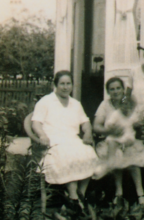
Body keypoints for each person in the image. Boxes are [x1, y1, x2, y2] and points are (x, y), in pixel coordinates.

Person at [31, 70, 100, 209]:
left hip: (72, 139)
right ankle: (74, 198)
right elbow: (36, 123)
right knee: (68, 157)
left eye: (68, 83)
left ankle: (80, 194)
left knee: (90, 155)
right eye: (62, 83)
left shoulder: (75, 103)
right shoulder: (45, 102)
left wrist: (87, 133)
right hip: (54, 140)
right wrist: (42, 135)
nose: (65, 87)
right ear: (55, 85)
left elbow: (85, 122)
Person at [93, 77, 144, 206]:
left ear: (123, 89)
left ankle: (140, 192)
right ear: (108, 91)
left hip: (129, 141)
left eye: (118, 88)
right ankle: (119, 192)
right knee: (117, 155)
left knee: (132, 155)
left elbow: (140, 119)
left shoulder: (128, 103)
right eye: (112, 89)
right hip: (112, 141)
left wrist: (138, 123)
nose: (116, 91)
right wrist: (110, 131)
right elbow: (96, 126)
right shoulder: (105, 105)